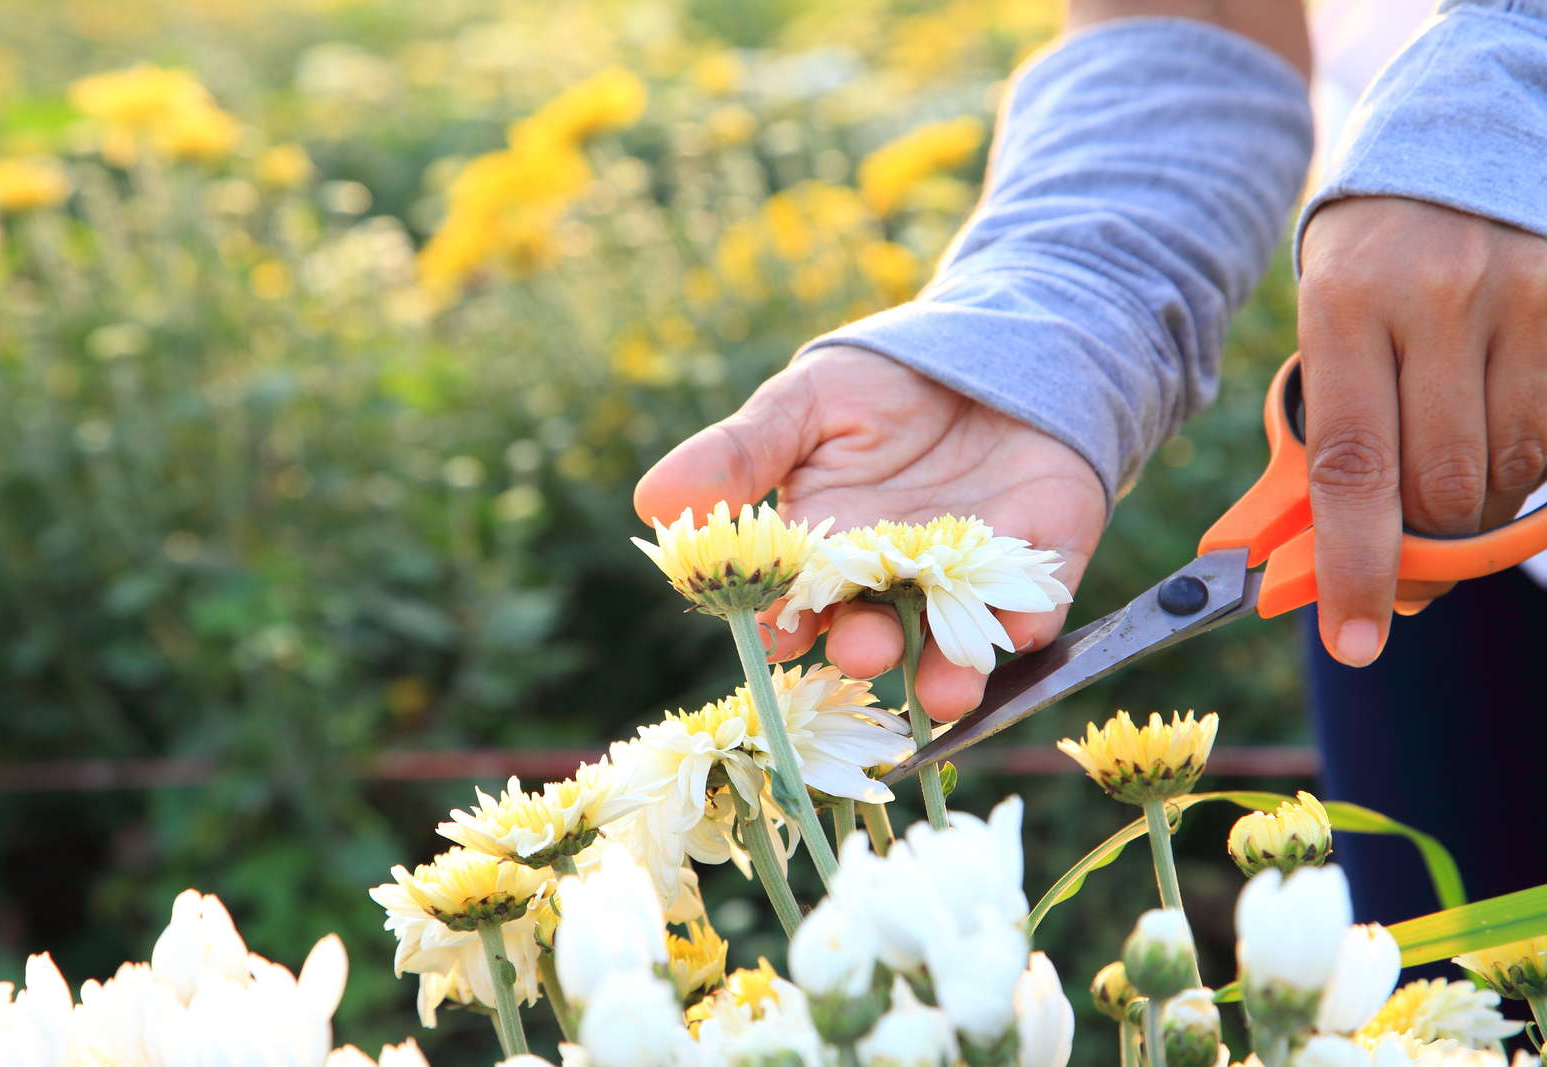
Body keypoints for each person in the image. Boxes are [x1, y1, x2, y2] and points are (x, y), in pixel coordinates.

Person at [633, 0, 1547, 921]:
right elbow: (1198, 23)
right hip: (1406, 499)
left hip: (1426, 384)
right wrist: (1062, 304)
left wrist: (1515, 85)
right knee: (1440, 986)